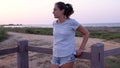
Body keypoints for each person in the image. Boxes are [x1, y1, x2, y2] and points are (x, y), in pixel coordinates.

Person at [51, 1, 89, 68]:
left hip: (67, 56)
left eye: (55, 9)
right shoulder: (54, 23)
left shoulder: (71, 22)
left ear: (62, 11)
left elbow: (86, 33)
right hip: (55, 55)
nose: (53, 12)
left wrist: (81, 49)